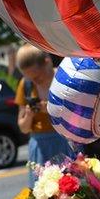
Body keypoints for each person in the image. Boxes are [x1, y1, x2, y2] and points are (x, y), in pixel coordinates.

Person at [15, 44, 76, 187]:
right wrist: (29, 115)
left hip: (64, 142)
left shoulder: (64, 78)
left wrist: (50, 109)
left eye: (37, 76)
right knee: (43, 195)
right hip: (39, 146)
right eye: (29, 78)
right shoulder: (26, 85)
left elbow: (78, 117)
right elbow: (23, 128)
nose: (34, 81)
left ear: (47, 61)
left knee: (70, 191)